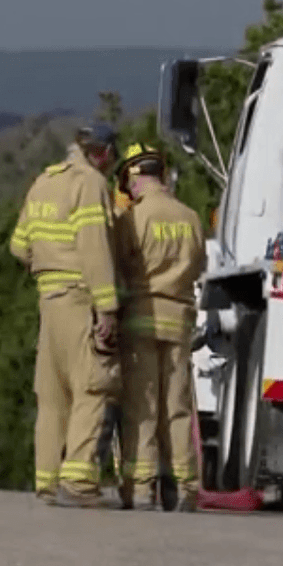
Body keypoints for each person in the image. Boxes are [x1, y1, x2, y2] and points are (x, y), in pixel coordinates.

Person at [9, 122, 123, 509]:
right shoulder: (89, 184)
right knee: (92, 385)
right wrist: (107, 307)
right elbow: (94, 249)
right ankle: (77, 480)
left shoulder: (44, 181)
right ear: (104, 153)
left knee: (52, 393)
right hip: (78, 297)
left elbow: (18, 246)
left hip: (48, 298)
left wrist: (46, 264)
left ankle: (46, 480)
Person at [111, 142, 206, 512]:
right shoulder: (190, 217)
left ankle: (140, 488)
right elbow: (198, 267)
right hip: (180, 321)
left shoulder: (133, 219)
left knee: (142, 407)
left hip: (141, 319)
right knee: (177, 407)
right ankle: (185, 488)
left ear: (135, 178)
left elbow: (117, 267)